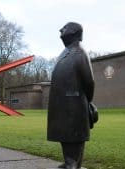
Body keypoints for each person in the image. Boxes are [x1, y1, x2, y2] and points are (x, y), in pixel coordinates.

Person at [47, 22, 95, 169]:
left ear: (74, 32)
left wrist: (86, 102)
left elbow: (89, 82)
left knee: (71, 160)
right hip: (64, 112)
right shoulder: (67, 53)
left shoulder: (79, 53)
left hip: (73, 112)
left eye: (65, 28)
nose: (60, 29)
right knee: (72, 157)